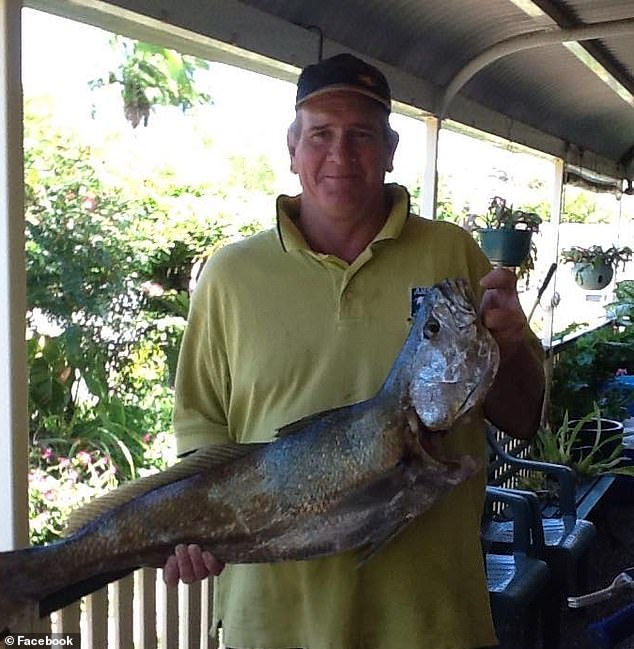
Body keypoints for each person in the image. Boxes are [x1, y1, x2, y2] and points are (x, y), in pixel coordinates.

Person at [163, 53, 545, 649]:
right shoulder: (229, 275)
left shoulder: (454, 256)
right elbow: (202, 424)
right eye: (320, 134)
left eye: (362, 135)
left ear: (390, 149)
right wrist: (194, 529)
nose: (340, 154)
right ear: (292, 148)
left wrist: (514, 347)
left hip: (431, 622)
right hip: (271, 623)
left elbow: (523, 417)